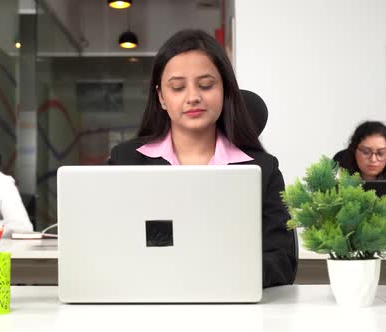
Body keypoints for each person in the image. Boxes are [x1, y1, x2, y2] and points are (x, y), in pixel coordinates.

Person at [107, 29, 297, 287]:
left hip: (232, 303)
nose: (193, 96)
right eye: (177, 87)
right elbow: (107, 248)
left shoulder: (262, 169)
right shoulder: (125, 161)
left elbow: (282, 261)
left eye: (206, 85)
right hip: (150, 299)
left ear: (225, 90)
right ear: (162, 97)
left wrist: (220, 274)